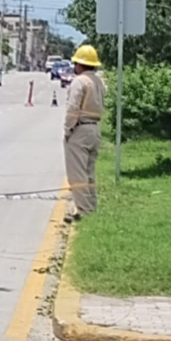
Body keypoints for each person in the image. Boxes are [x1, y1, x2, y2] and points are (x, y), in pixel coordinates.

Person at [64, 45, 106, 224]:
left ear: (80, 65)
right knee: (89, 171)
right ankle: (91, 205)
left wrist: (68, 129)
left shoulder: (79, 82)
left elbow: (73, 109)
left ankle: (84, 210)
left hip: (80, 129)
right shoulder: (99, 82)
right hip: (95, 127)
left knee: (77, 174)